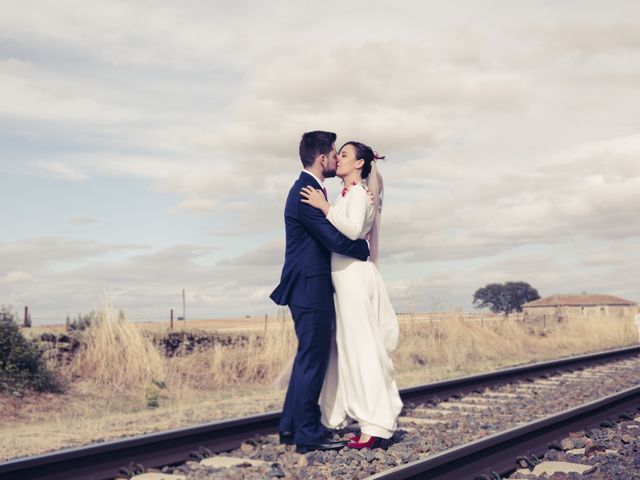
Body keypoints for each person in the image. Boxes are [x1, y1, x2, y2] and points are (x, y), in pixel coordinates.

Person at [270, 131, 370, 453]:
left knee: (307, 357)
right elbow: (334, 240)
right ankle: (308, 433)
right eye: (332, 153)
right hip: (310, 287)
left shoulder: (309, 189)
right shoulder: (306, 191)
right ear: (321, 158)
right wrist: (363, 248)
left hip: (308, 286)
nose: (335, 158)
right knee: (313, 359)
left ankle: (290, 427)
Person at [300, 140, 403, 449]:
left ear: (359, 164)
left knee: (363, 352)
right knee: (352, 351)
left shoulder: (357, 193)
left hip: (355, 282)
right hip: (346, 282)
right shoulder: (351, 193)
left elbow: (353, 228)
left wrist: (324, 208)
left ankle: (376, 425)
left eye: (344, 155)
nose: (337, 159)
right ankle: (360, 419)